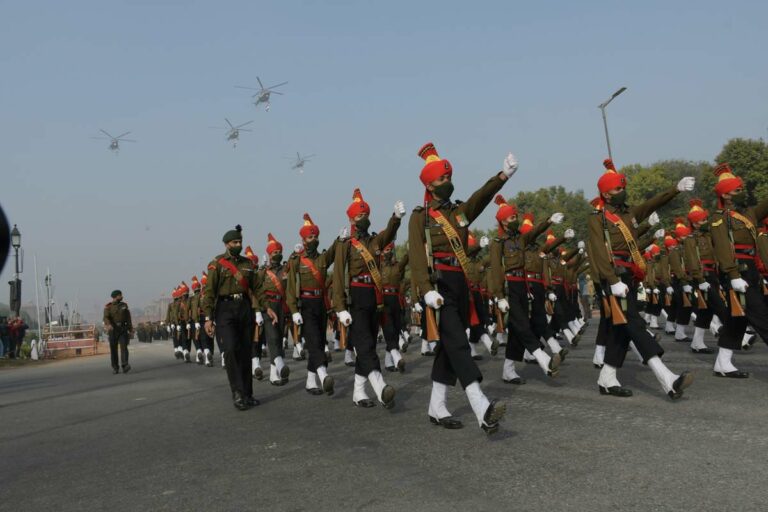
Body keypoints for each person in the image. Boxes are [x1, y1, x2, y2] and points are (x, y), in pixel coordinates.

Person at [408, 142, 513, 433]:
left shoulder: (459, 214)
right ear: (429, 184)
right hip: (438, 288)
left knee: (448, 349)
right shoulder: (421, 217)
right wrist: (426, 288)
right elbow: (417, 256)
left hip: (460, 285)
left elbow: (479, 199)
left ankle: (436, 406)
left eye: (449, 177)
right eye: (442, 179)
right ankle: (482, 407)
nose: (447, 183)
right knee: (457, 344)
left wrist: (502, 177)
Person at [587, 158, 695, 399]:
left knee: (621, 330)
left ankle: (607, 378)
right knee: (634, 324)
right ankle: (667, 378)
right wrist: (612, 280)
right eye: (617, 189)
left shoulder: (630, 214)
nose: (622, 192)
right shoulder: (598, 218)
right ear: (605, 193)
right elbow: (599, 251)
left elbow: (653, 202)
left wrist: (675, 189)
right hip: (614, 278)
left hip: (629, 276)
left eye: (623, 187)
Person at [332, 189, 404, 408]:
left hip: (375, 296)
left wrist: (396, 218)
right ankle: (381, 388)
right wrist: (340, 306)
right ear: (352, 219)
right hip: (356, 295)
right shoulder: (346, 243)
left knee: (369, 342)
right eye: (359, 216)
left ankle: (358, 392)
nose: (363, 219)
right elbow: (337, 275)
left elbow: (387, 235)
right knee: (364, 345)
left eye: (365, 215)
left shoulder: (374, 241)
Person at [709, 163, 768, 377]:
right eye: (737, 190)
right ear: (725, 195)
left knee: (738, 319)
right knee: (761, 315)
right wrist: (733, 275)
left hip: (751, 269)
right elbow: (724, 248)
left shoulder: (748, 214)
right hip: (737, 271)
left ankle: (722, 363)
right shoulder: (719, 218)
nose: (741, 193)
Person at [203, 225, 270, 411]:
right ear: (226, 244)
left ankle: (248, 393)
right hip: (224, 310)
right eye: (235, 242)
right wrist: (208, 318)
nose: (238, 245)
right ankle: (237, 392)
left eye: (240, 242)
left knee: (245, 352)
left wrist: (267, 308)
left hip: (244, 309)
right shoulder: (217, 264)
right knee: (231, 349)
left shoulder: (248, 264)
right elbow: (209, 292)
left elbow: (257, 288)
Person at [287, 214, 339, 397]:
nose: (314, 240)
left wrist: (339, 239)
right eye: (310, 237)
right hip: (305, 305)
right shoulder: (296, 260)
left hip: (320, 304)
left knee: (319, 339)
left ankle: (310, 381)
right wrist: (294, 311)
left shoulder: (323, 258)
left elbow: (333, 252)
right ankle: (324, 375)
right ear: (303, 239)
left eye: (316, 237)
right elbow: (291, 287)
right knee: (314, 341)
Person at [257, 233, 291, 385]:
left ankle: (273, 374)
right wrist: (258, 311)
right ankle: (280, 365)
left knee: (279, 337)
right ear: (269, 254)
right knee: (272, 337)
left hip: (281, 306)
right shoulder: (263, 272)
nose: (276, 255)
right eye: (274, 253)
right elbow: (256, 291)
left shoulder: (286, 270)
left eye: (278, 252)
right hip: (267, 307)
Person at [103, 290, 133, 374]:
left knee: (124, 347)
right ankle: (115, 367)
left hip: (123, 329)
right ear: (115, 297)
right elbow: (105, 317)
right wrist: (108, 324)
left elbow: (128, 318)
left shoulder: (124, 305)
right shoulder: (108, 307)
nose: (122, 296)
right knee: (113, 349)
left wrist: (131, 329)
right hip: (113, 330)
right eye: (120, 295)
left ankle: (125, 365)